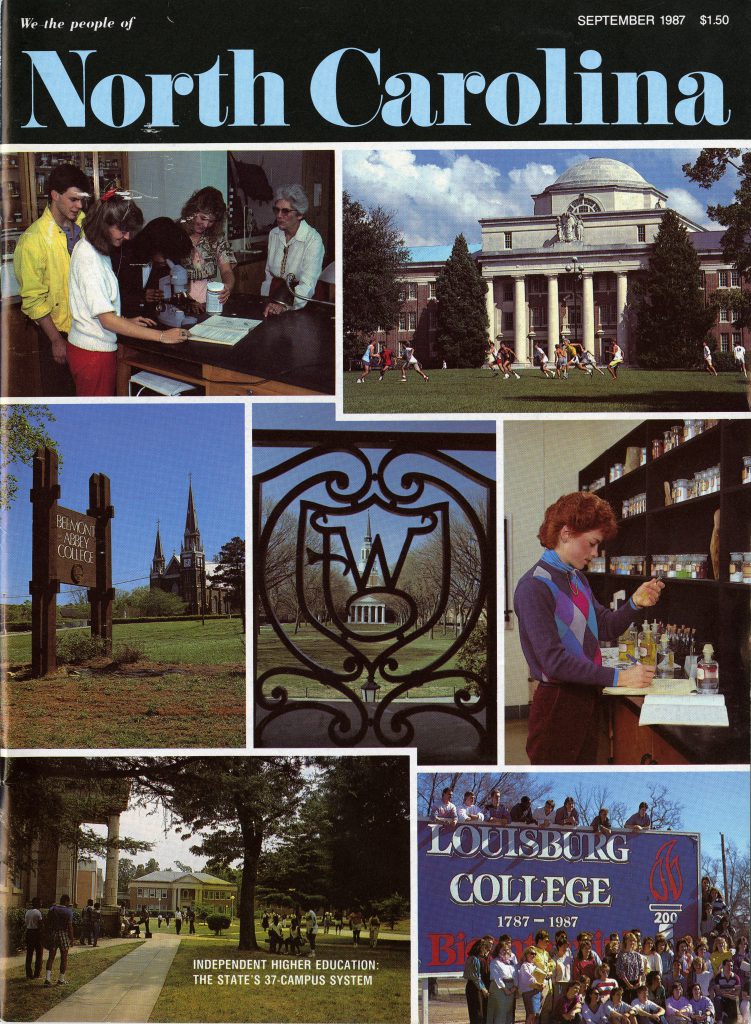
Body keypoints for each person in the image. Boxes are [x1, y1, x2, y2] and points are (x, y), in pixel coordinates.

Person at [514, 490, 664, 764]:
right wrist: (619, 678)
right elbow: (554, 662)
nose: (595, 553)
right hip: (557, 706)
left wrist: (634, 603)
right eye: (592, 543)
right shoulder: (534, 586)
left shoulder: (577, 579)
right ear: (566, 533)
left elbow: (605, 626)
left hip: (587, 697)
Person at [67, 190, 188, 396]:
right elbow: (106, 320)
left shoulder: (96, 249)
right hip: (92, 353)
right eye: (123, 230)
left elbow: (99, 308)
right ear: (105, 223)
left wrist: (125, 321)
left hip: (95, 349)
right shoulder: (89, 258)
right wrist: (161, 336)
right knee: (95, 418)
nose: (128, 236)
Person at [13, 162, 91, 396]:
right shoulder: (33, 240)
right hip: (55, 332)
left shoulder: (83, 224)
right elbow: (33, 299)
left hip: (84, 326)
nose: (79, 206)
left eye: (82, 200)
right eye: (73, 199)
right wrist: (56, 340)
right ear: (55, 196)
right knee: (61, 394)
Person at [262, 184, 324, 315]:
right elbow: (268, 274)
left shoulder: (313, 240)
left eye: (285, 211)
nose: (279, 215)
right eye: (276, 210)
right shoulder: (274, 234)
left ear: (300, 214)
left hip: (302, 301)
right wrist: (265, 299)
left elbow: (307, 285)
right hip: (274, 297)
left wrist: (286, 306)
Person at [116, 215, 194, 316]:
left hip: (150, 319)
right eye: (166, 255)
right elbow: (112, 297)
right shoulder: (123, 255)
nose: (168, 261)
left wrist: (189, 302)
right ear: (152, 245)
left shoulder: (164, 263)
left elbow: (171, 296)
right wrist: (141, 296)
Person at [180, 186, 236, 307]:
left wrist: (228, 287)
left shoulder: (217, 238)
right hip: (180, 301)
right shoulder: (175, 232)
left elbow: (226, 271)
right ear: (192, 211)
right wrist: (189, 301)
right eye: (202, 218)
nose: (205, 224)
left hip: (209, 303)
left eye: (211, 221)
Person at [45, 894, 74, 987]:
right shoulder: (68, 912)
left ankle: (47, 979)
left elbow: (48, 922)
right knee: (64, 957)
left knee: (51, 957)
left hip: (54, 933)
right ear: (66, 901)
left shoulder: (52, 909)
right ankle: (61, 979)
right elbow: (70, 926)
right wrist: (71, 938)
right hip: (63, 934)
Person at [488, 936, 518, 1024]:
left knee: (509, 1012)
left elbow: (516, 974)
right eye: (503, 950)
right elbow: (497, 978)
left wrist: (515, 987)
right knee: (500, 1012)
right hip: (499, 989)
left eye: (507, 950)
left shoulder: (511, 962)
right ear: (498, 951)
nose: (506, 952)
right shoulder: (495, 962)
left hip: (511, 988)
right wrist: (505, 989)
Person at [465, 937, 492, 1024]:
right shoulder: (473, 958)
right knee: (477, 1014)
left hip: (482, 988)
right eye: (485, 947)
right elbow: (475, 977)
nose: (487, 949)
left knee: (484, 1014)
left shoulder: (483, 958)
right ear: (480, 947)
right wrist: (483, 988)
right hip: (474, 989)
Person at [618, 933, 647, 1003]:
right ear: (625, 941)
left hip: (636, 984)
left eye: (634, 940)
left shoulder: (637, 955)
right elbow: (620, 971)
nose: (632, 942)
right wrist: (628, 984)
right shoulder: (621, 955)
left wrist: (639, 981)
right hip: (625, 984)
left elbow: (641, 970)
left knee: (636, 1004)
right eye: (630, 940)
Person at [24, 896, 44, 980]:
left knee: (29, 954)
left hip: (29, 932)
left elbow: (25, 922)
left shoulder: (27, 912)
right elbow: (40, 925)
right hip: (36, 933)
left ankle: (28, 974)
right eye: (40, 902)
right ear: (37, 903)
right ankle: (37, 974)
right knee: (39, 954)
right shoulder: (38, 913)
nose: (41, 904)